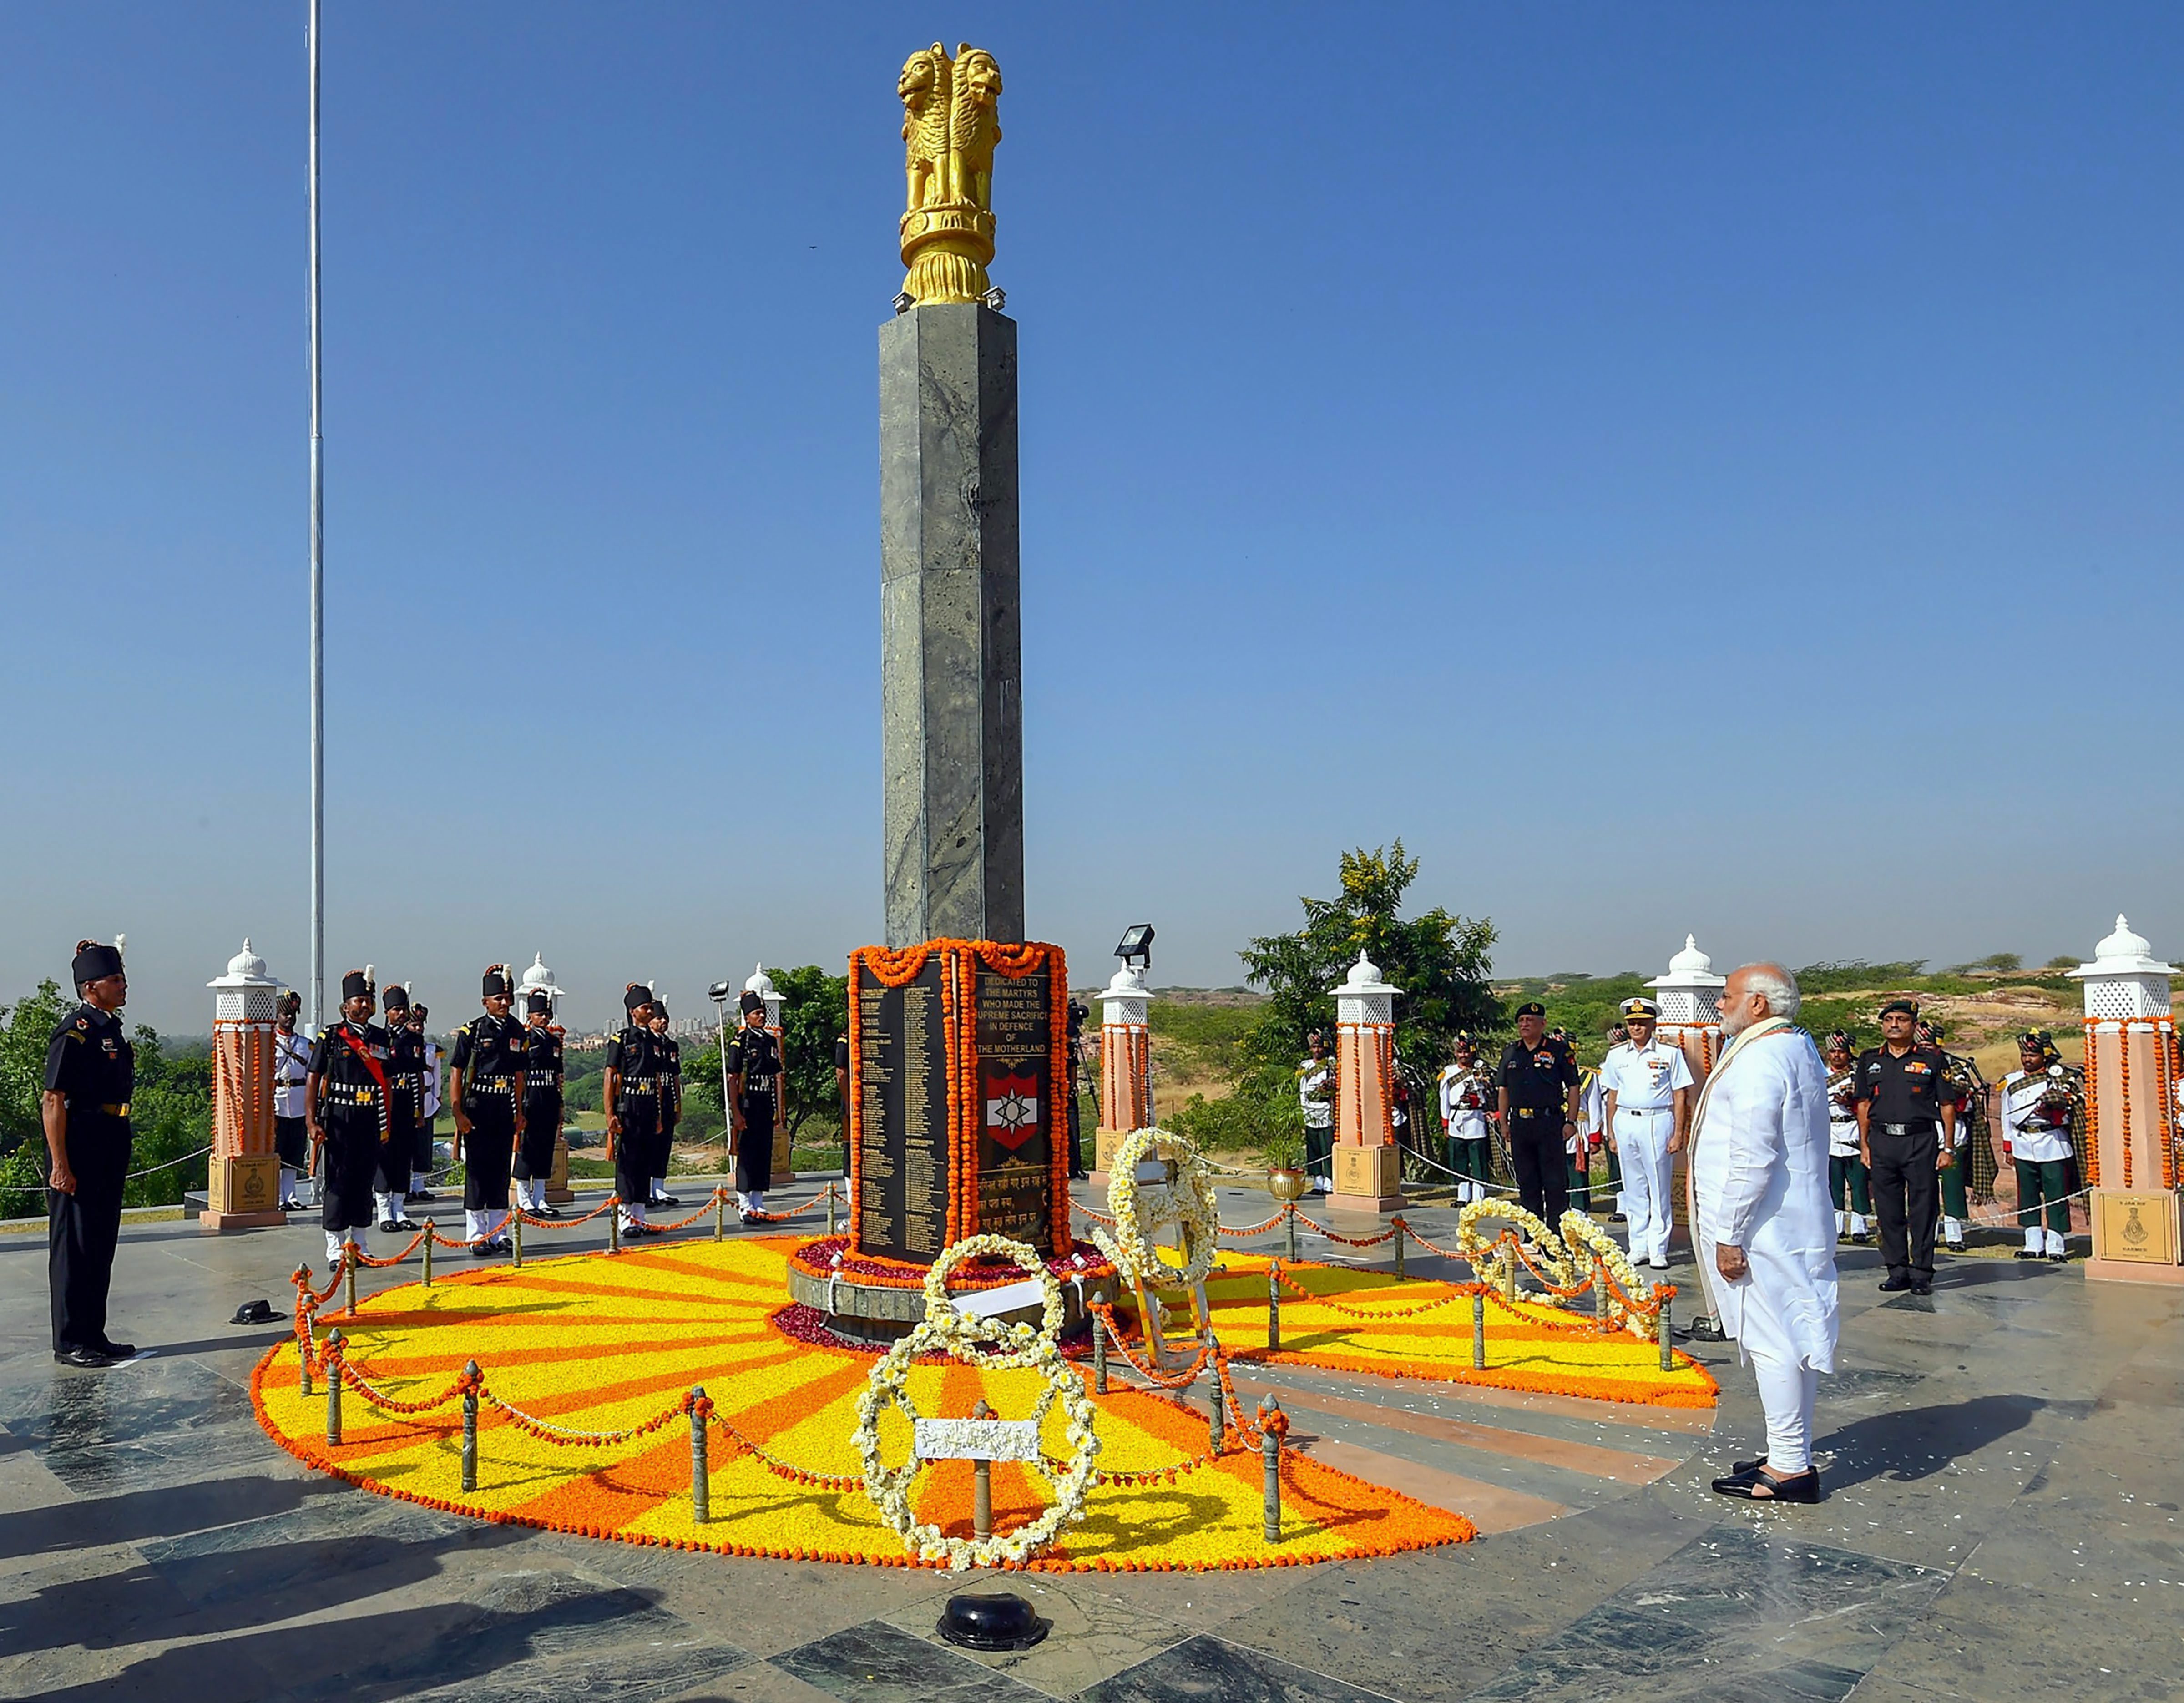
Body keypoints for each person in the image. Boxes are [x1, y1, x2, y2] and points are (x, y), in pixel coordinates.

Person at [1692, 962, 1835, 1503]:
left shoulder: (1761, 1058)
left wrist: (1729, 1233)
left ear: (1758, 1004)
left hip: (1762, 1226)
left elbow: (1753, 1155)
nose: (1720, 1005)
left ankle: (1789, 1466)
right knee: (1794, 1336)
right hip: (1789, 1220)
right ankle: (1788, 1450)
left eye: (1727, 996)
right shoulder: (1795, 1047)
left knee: (1772, 1339)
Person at [42, 938, 138, 1369]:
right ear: (90, 987)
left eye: (122, 978)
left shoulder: (110, 1029)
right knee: (74, 1247)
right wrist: (60, 1164)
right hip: (79, 1144)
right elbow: (53, 1100)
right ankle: (69, 1340)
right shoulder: (74, 1033)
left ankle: (94, 1333)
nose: (124, 986)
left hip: (110, 1139)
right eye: (115, 980)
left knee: (101, 1242)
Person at [1854, 998, 1956, 1295]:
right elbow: (1863, 1104)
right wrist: (1865, 1145)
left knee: (1924, 1208)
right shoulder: (1869, 1059)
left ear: (1913, 1025)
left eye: (1901, 1019)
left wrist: (1948, 1148)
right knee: (1888, 1210)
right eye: (1888, 1020)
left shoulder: (1933, 1060)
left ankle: (1922, 1271)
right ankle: (1897, 1269)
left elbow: (1947, 1105)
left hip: (1920, 1140)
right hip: (1882, 1141)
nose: (1894, 1024)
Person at [1599, 997, 1695, 1270]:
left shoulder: (1669, 1054)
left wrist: (1678, 1132)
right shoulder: (1616, 1056)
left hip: (1657, 1120)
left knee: (1659, 1187)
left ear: (1653, 1024)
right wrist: (1611, 1134)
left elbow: (1680, 1094)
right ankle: (1638, 1245)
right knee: (1634, 1187)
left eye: (1642, 1023)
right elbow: (1612, 1095)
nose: (1636, 1028)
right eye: (1632, 1023)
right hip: (1626, 1119)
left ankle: (1658, 1248)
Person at [306, 967, 390, 1272]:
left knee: (363, 1179)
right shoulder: (331, 1036)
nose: (365, 1005)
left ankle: (360, 1242)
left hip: (369, 1118)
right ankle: (334, 1246)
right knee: (339, 1182)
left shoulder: (382, 1037)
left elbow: (387, 1083)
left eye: (369, 1000)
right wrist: (311, 1121)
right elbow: (314, 1077)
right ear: (345, 1006)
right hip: (340, 1118)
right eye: (359, 1000)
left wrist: (386, 1123)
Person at [447, 965, 527, 1254]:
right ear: (486, 1002)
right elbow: (456, 1071)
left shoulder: (518, 1030)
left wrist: (519, 1112)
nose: (505, 1003)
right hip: (478, 1107)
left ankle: (498, 1231)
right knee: (478, 1171)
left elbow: (520, 1076)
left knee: (499, 1171)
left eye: (507, 998)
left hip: (503, 1107)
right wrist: (457, 1112)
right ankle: (476, 1234)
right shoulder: (473, 1030)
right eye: (498, 999)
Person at [1995, 1029, 2081, 1263]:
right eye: (2024, 1054)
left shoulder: (2060, 1079)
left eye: (2032, 1055)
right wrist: (2008, 1146)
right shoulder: (2012, 1081)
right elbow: (2006, 1116)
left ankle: (2056, 1246)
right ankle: (2033, 1243)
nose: (2027, 1059)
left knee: (2056, 1196)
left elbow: (2071, 1114)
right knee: (2028, 1196)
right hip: (2023, 1144)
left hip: (2052, 1143)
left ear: (2044, 1056)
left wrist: (2054, 1110)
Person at [1496, 1002, 1581, 1231]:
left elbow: (1573, 1086)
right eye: (1521, 1021)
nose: (1524, 1024)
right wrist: (1503, 1123)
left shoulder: (1559, 1051)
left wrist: (1571, 1121)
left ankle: (1557, 1236)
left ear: (1543, 1024)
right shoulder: (1511, 1052)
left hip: (1549, 1123)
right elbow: (1503, 1089)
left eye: (1530, 1020)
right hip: (1520, 1125)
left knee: (1554, 1183)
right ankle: (1533, 1236)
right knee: (1527, 1183)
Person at [1923, 1021, 1987, 1251]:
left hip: (1952, 1136)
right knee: (1924, 1190)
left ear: (1939, 1046)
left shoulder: (1955, 1068)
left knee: (1952, 1189)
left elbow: (1963, 1094)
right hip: (1922, 1137)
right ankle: (1926, 1235)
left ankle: (1954, 1236)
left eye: (1929, 1045)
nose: (1925, 1049)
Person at [605, 984, 662, 1236]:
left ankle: (640, 1217)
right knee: (628, 1162)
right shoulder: (622, 1039)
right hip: (629, 1104)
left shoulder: (654, 1040)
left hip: (648, 1104)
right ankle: (627, 1219)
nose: (649, 1011)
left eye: (650, 1007)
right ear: (632, 1011)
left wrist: (659, 1114)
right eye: (645, 1007)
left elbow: (658, 1079)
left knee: (645, 1160)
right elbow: (611, 1075)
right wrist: (610, 1114)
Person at [727, 990, 783, 1220]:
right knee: (747, 1154)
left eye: (763, 1012)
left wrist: (779, 1110)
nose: (761, 1016)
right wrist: (736, 1112)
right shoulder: (739, 1043)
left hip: (765, 1102)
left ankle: (759, 1202)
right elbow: (733, 1079)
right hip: (747, 1103)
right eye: (757, 1013)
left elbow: (777, 1076)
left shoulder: (770, 1040)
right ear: (747, 1017)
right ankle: (744, 1203)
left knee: (763, 1153)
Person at [374, 985, 424, 1234]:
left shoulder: (414, 1039)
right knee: (385, 1157)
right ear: (387, 1012)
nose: (402, 1014)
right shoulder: (379, 1038)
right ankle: (384, 1210)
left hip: (405, 1102)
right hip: (385, 1103)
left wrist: (420, 1110)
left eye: (404, 1009)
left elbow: (419, 1074)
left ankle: (400, 1207)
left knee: (404, 1156)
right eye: (396, 1010)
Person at [515, 988, 565, 1218]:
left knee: (545, 1148)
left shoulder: (554, 1042)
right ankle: (524, 1199)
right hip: (531, 1097)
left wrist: (560, 1104)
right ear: (530, 1017)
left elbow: (558, 1075)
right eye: (539, 1014)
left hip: (549, 1097)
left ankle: (540, 1198)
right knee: (529, 1148)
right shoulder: (526, 1040)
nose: (544, 1018)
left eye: (546, 1014)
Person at [1822, 1031, 1871, 1244]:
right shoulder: (1820, 1075)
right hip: (1830, 1133)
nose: (1837, 1056)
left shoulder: (1857, 1075)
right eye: (1833, 1051)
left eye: (1841, 1052)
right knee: (1834, 1185)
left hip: (1853, 1130)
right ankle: (1837, 1227)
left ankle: (1860, 1228)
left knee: (1859, 1184)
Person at [1436, 1033, 1496, 1203]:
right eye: (1460, 1052)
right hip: (1456, 1119)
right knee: (1459, 1160)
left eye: (1466, 1051)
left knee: (1478, 1160)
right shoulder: (1448, 1073)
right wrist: (1446, 1123)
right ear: (1456, 1053)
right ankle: (1463, 1197)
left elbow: (1490, 1094)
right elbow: (1444, 1099)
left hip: (1476, 1119)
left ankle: (1478, 1198)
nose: (1464, 1055)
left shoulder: (1481, 1070)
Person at [273, 990, 312, 1211]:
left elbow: (310, 1075)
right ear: (277, 1015)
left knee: (295, 1152)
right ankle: (278, 1197)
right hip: (278, 1102)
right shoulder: (269, 1042)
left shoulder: (305, 1045)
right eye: (286, 1014)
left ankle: (291, 1195)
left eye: (293, 1014)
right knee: (278, 1151)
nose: (290, 1018)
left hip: (298, 1102)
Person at [1560, 1027, 1604, 1216]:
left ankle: (1580, 1210)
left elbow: (1595, 1107)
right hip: (1552, 1128)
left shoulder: (1587, 1076)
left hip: (1579, 1130)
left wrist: (1595, 1137)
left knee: (1577, 1172)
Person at [649, 998, 683, 1209]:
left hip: (669, 1098)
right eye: (659, 1018)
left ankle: (659, 1187)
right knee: (650, 1146)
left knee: (664, 1145)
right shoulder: (647, 1042)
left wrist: (679, 1105)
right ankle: (647, 1188)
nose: (663, 1022)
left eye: (665, 1018)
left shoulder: (671, 1045)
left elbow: (676, 1077)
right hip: (651, 1100)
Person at [409, 1003, 440, 1203]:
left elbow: (436, 1074)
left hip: (427, 1101)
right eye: (415, 1024)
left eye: (421, 1024)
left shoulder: (431, 1049)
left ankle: (419, 1186)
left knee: (423, 1146)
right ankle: (405, 1187)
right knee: (408, 1147)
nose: (419, 1028)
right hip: (407, 1099)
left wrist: (437, 1099)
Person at [1297, 1031, 1335, 1194]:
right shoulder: (1305, 1066)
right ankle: (1318, 1181)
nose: (1317, 1050)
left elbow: (1336, 1083)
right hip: (1309, 1110)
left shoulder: (1330, 1064)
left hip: (1325, 1110)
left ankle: (1329, 1182)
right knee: (1313, 1148)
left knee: (1327, 1146)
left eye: (1319, 1047)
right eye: (1314, 1047)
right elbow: (1301, 1088)